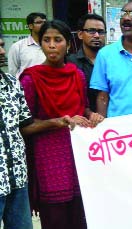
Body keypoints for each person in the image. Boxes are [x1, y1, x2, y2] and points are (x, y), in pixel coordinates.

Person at [19, 20, 104, 229]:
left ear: (68, 44)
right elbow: (25, 125)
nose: (51, 45)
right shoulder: (31, 79)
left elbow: (82, 107)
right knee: (55, 217)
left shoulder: (77, 74)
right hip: (48, 156)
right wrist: (59, 121)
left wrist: (92, 114)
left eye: (58, 40)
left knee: (80, 213)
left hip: (79, 153)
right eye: (46, 40)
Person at [0, 34, 34, 229]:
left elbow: (25, 125)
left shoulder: (12, 84)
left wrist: (60, 122)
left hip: (17, 178)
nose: (3, 52)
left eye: (3, 46)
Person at [67, 13, 106, 112]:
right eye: (91, 31)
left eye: (101, 32)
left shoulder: (113, 61)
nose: (97, 35)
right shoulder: (70, 63)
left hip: (112, 120)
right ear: (80, 34)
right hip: (81, 121)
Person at [8, 12, 47, 78]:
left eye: (45, 22)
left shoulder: (51, 45)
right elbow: (13, 73)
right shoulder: (18, 46)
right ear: (30, 26)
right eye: (39, 22)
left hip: (48, 86)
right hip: (26, 86)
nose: (43, 25)